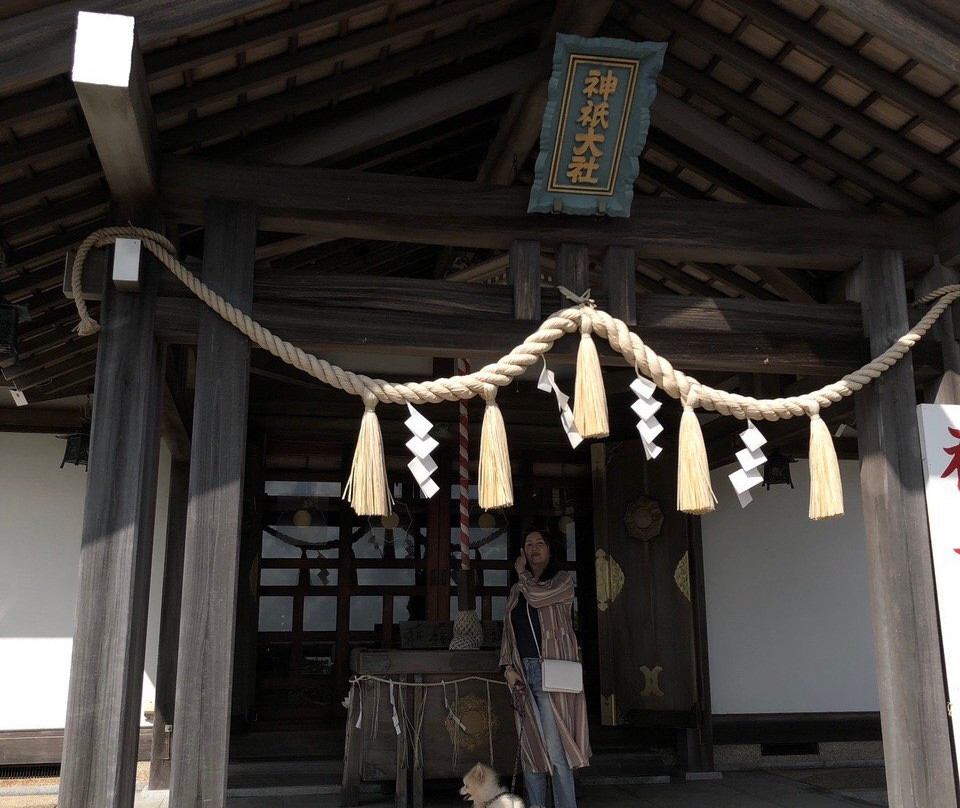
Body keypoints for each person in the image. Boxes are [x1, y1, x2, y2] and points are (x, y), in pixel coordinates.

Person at [499, 529, 591, 808]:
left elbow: (539, 598)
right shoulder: (517, 590)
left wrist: (522, 575)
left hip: (551, 674)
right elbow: (508, 632)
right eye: (528, 544)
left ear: (550, 550)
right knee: (531, 751)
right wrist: (507, 668)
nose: (534, 548)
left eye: (540, 543)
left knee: (556, 748)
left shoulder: (562, 581)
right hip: (524, 673)